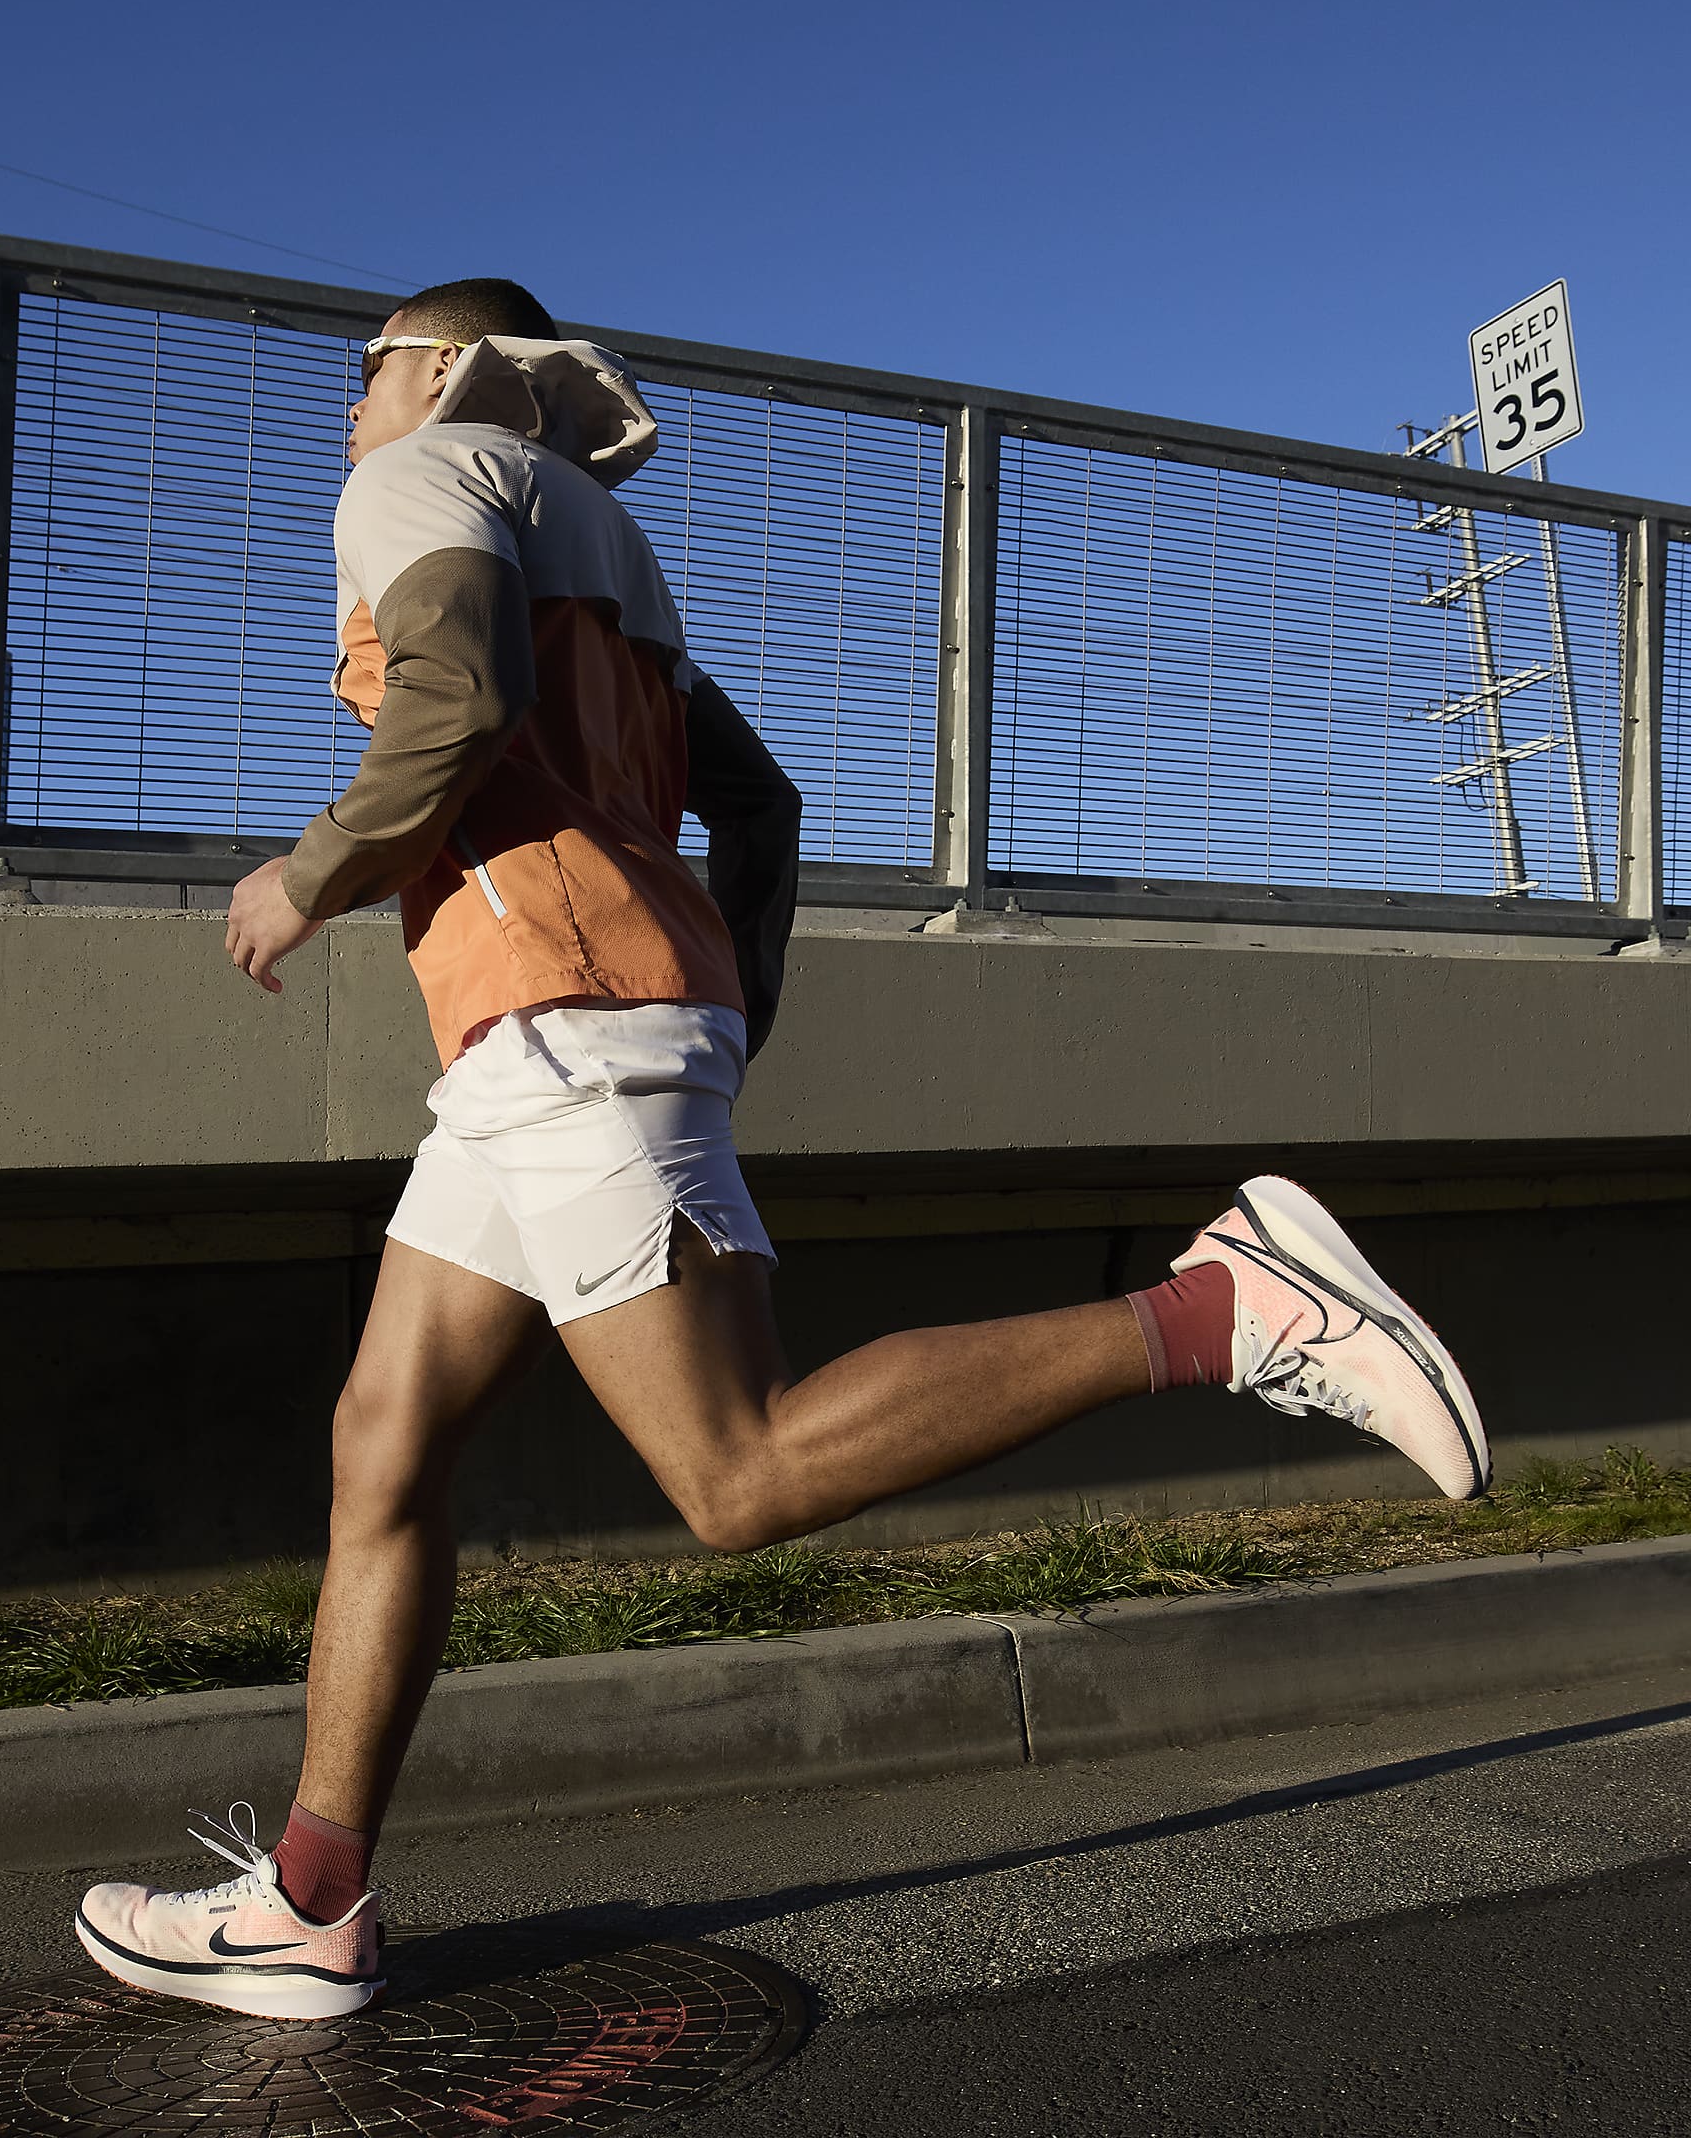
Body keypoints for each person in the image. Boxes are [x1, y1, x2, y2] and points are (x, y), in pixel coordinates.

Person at [73, 279, 1490, 2022]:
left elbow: (454, 697)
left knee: (732, 1474)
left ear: (443, 372)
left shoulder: (422, 473)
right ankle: (310, 1900)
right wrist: (731, 985)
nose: (345, 408)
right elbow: (761, 801)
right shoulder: (602, 535)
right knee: (385, 1440)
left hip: (563, 1022)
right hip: (565, 1030)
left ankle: (1225, 1310)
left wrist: (313, 870)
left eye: (364, 371)